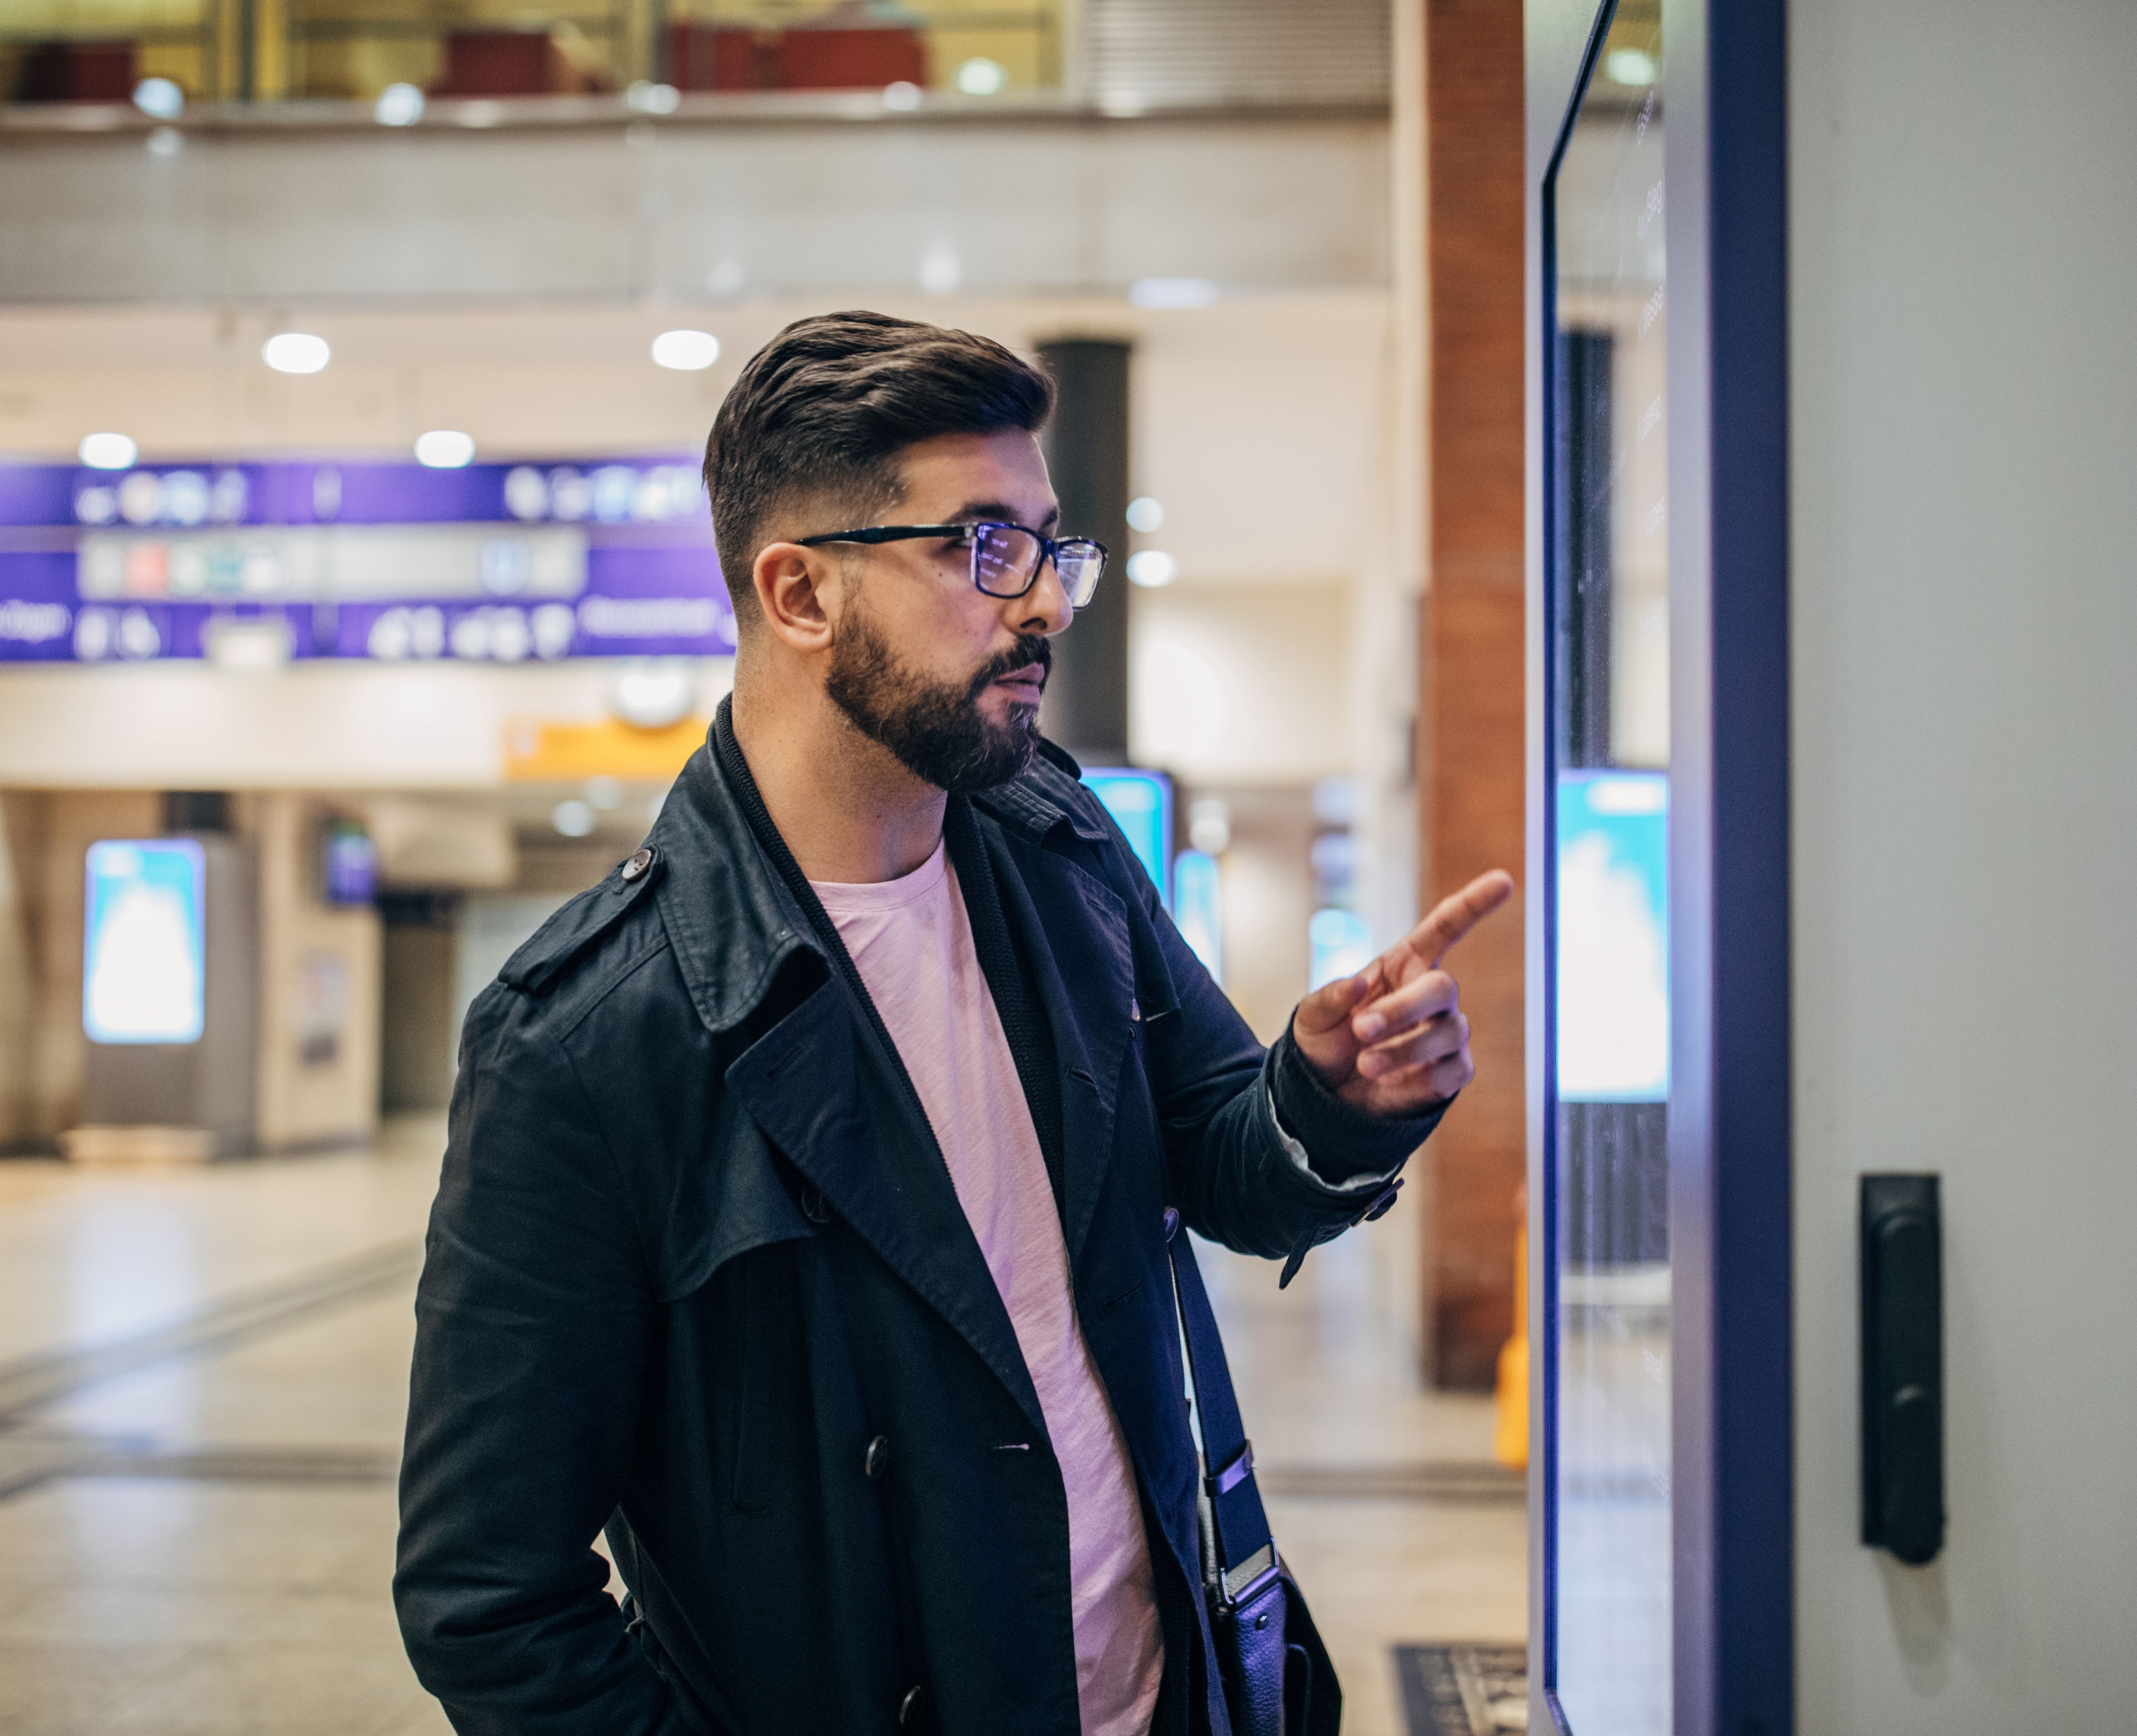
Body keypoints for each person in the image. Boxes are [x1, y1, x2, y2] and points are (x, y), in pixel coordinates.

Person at [394, 310, 1512, 1736]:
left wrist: (1331, 1098)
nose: (1044, 604)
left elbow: (1225, 1162)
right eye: (984, 546)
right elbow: (489, 1595)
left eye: (1050, 549)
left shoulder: (1058, 849)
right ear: (800, 592)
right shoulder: (587, 1035)